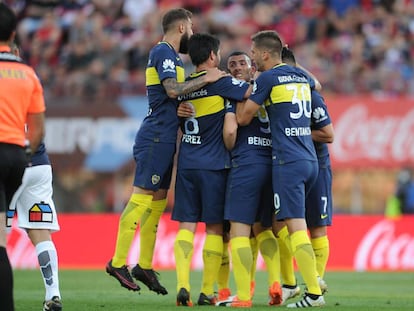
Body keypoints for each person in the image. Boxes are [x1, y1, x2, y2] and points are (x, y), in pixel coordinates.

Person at [106, 8, 226, 294]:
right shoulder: (163, 52)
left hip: (165, 136)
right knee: (141, 199)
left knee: (157, 203)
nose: (194, 34)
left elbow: (171, 95)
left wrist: (180, 110)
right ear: (182, 28)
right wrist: (207, 79)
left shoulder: (171, 57)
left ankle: (144, 265)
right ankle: (118, 261)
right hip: (155, 137)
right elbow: (172, 89)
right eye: (192, 28)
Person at [236, 30, 325, 308]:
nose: (251, 57)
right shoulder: (300, 76)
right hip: (310, 159)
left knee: (296, 227)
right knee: (285, 225)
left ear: (264, 54)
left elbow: (244, 116)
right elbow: (317, 85)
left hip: (287, 161)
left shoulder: (268, 78)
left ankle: (313, 292)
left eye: (252, 52)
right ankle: (296, 282)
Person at [172, 33, 251, 306]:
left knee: (186, 226)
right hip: (215, 165)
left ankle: (183, 285)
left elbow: (176, 110)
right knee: (215, 229)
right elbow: (252, 92)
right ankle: (207, 290)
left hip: (186, 165)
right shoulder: (223, 81)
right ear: (213, 56)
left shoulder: (182, 86)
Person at [216, 51, 282, 307]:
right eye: (231, 65)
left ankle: (243, 296)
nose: (235, 68)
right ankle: (275, 283)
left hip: (246, 164)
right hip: (272, 163)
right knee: (263, 228)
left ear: (251, 67)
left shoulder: (234, 95)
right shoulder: (268, 89)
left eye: (241, 63)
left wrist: (228, 145)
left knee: (239, 232)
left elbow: (231, 132)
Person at [7, 43, 62, 311]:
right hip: (37, 165)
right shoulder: (30, 77)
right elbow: (39, 122)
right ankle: (53, 294)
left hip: (6, 162)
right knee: (41, 232)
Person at [276, 46, 334, 305]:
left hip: (317, 165)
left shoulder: (311, 95)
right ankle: (293, 283)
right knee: (283, 225)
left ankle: (315, 284)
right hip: (291, 164)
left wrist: (296, 131)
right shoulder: (276, 94)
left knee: (317, 229)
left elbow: (328, 134)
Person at [0, 3, 46, 310]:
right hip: (16, 156)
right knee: (0, 241)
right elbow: (39, 129)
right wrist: (25, 154)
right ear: (14, 32)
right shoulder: (28, 74)